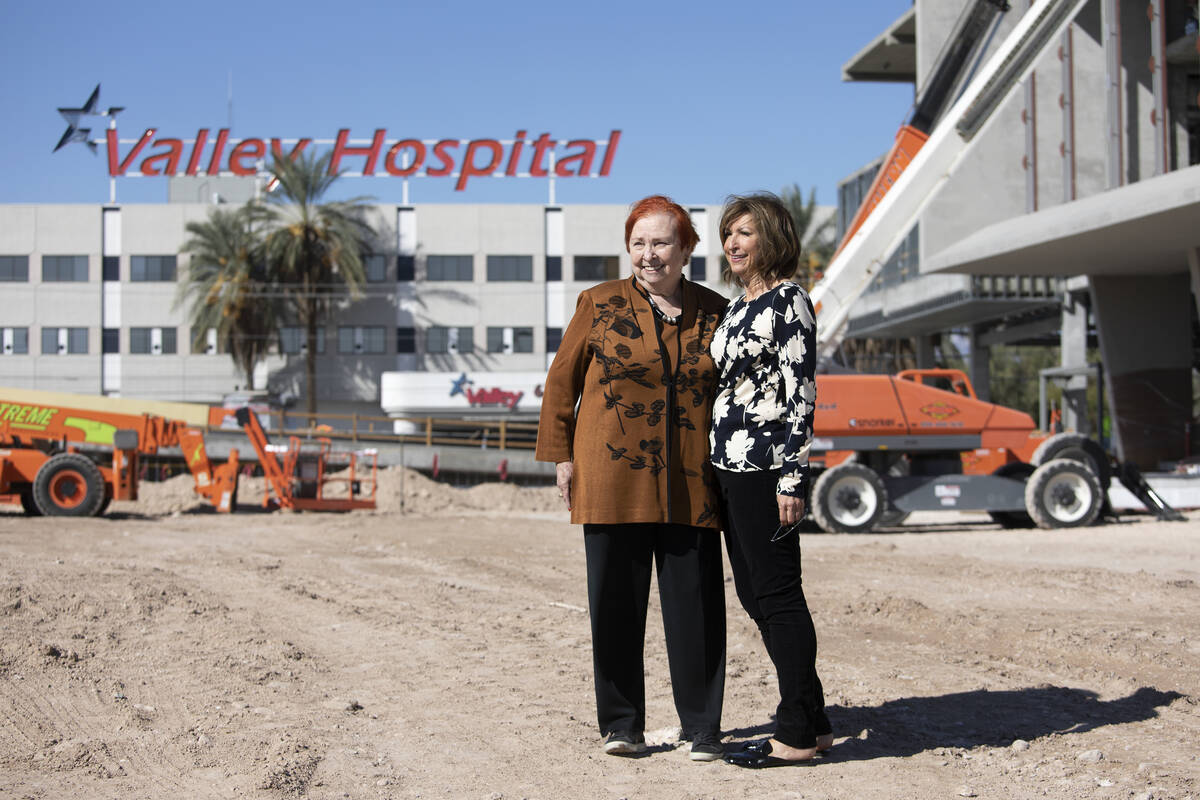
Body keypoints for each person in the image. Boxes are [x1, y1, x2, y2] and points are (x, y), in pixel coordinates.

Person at [536, 195, 729, 761]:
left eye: (661, 242)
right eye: (639, 243)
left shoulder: (716, 312)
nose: (649, 255)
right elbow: (560, 383)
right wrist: (562, 458)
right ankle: (622, 725)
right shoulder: (597, 304)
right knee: (616, 607)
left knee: (696, 610)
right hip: (611, 477)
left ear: (687, 248)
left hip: (693, 480)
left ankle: (703, 729)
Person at [707, 192, 834, 768]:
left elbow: (800, 394)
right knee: (754, 594)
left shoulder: (789, 302)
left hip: (765, 470)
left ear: (773, 239)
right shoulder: (737, 307)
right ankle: (816, 719)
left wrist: (791, 478)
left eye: (745, 233)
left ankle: (794, 735)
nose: (732, 243)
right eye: (728, 233)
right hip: (729, 468)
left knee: (778, 596)